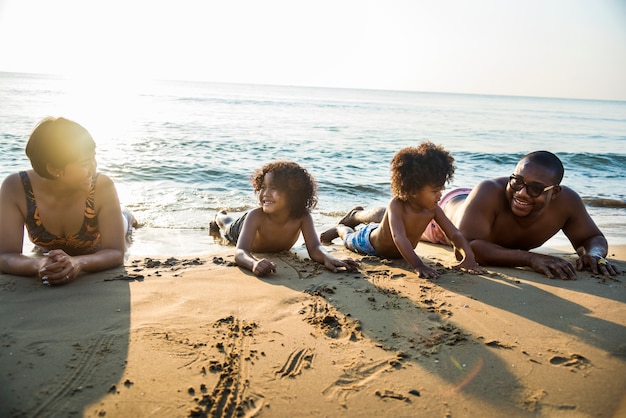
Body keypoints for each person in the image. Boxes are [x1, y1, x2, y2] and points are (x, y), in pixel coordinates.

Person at [329, 150, 619, 280]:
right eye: (516, 181)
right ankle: (357, 216)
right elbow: (470, 244)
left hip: (469, 204)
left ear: (554, 193)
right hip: (456, 209)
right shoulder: (491, 190)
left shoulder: (567, 202)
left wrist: (594, 254)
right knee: (392, 216)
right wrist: (532, 258)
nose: (520, 192)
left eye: (534, 189)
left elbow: (592, 237)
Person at [0, 117, 135, 286]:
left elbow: (115, 252)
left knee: (125, 220)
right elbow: (5, 256)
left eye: (94, 157)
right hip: (53, 250)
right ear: (54, 169)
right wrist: (39, 264)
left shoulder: (101, 186)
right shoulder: (16, 188)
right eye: (85, 163)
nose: (94, 168)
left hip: (116, 230)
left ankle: (128, 216)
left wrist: (78, 263)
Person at [320, 142, 485, 279]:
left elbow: (454, 234)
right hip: (369, 244)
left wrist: (468, 257)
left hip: (394, 248)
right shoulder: (397, 205)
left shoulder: (433, 209)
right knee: (348, 237)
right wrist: (418, 265)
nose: (440, 195)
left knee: (378, 218)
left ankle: (356, 216)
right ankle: (339, 228)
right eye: (435, 191)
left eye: (441, 189)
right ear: (413, 190)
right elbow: (399, 238)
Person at [210, 161, 358, 277]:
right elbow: (240, 251)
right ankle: (218, 216)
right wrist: (253, 264)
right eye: (263, 187)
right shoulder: (256, 216)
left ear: (294, 194)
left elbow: (314, 248)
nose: (265, 193)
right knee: (226, 224)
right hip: (239, 229)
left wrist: (327, 257)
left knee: (227, 224)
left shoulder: (303, 217)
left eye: (273, 188)